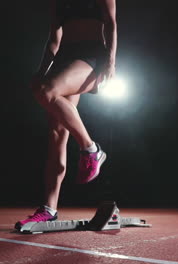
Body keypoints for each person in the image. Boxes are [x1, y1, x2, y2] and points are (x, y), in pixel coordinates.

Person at [15, 0, 117, 230]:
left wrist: (111, 62)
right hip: (64, 58)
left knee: (48, 91)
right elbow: (54, 39)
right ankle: (49, 209)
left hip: (91, 58)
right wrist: (41, 71)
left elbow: (111, 24)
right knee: (56, 134)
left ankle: (91, 149)